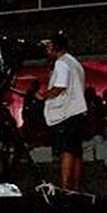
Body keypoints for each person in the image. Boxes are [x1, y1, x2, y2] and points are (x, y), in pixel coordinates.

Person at [36, 32, 87, 191]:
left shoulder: (62, 63)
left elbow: (60, 86)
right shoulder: (75, 63)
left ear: (55, 47)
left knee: (66, 150)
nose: (47, 50)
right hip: (76, 112)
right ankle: (76, 186)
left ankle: (65, 187)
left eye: (49, 47)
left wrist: (43, 96)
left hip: (65, 113)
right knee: (76, 151)